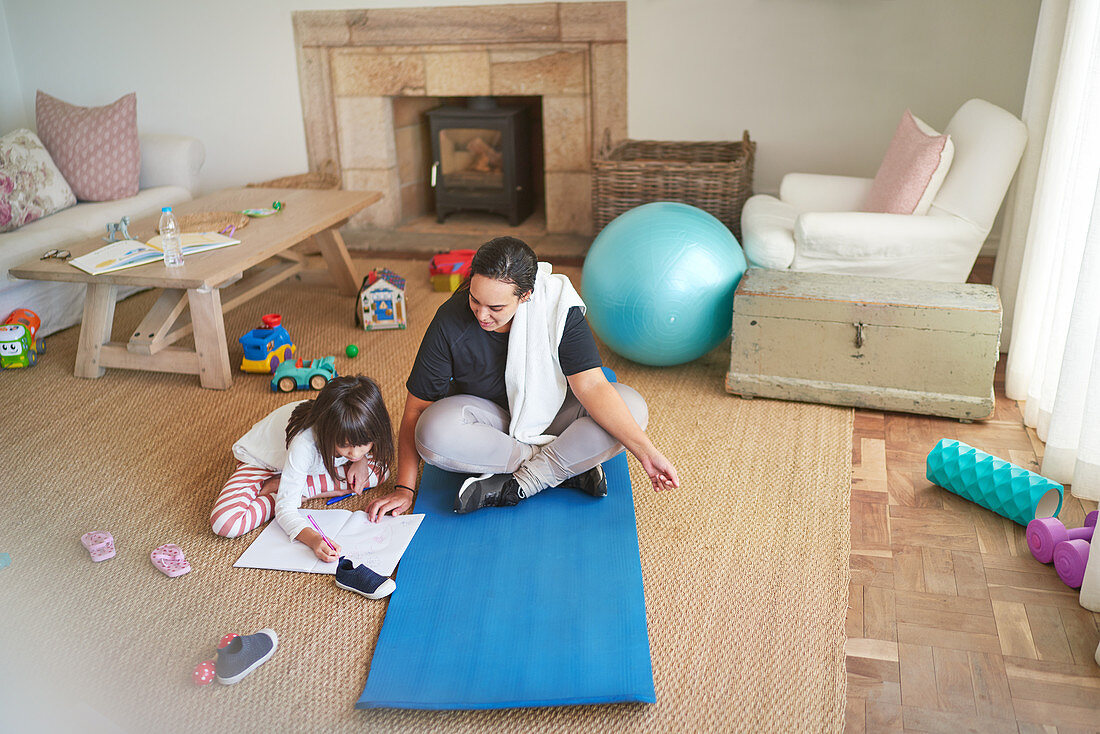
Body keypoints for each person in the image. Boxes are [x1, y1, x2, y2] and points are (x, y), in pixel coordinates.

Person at [366, 236, 679, 519]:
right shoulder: (450, 321)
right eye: (475, 299)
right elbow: (417, 408)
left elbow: (593, 386)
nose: (481, 314)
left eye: (496, 307)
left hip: (555, 413)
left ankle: (524, 482)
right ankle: (564, 465)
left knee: (632, 408)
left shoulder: (556, 307)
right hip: (492, 425)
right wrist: (404, 489)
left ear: (526, 295)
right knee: (431, 432)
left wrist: (647, 453)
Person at [211, 375, 395, 562]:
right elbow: (286, 510)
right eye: (345, 444)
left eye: (363, 443)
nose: (355, 453)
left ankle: (302, 488)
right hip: (263, 463)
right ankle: (285, 490)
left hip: (307, 467)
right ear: (328, 432)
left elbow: (371, 461)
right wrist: (314, 539)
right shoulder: (304, 443)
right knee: (225, 524)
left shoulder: (354, 437)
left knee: (382, 470)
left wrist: (361, 462)